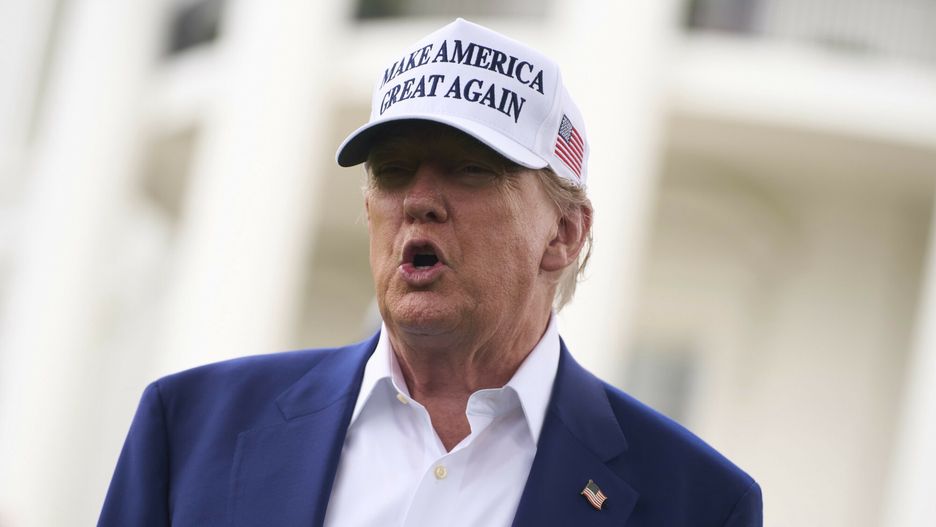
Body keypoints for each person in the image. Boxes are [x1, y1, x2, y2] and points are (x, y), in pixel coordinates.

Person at [99, 18, 762, 526]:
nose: (418, 199)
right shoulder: (188, 430)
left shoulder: (698, 502)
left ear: (563, 233)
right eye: (391, 171)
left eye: (469, 168)